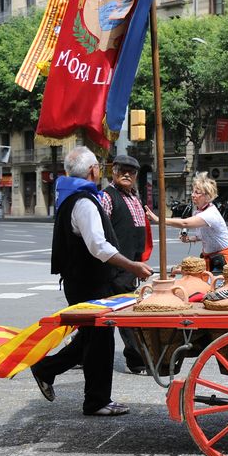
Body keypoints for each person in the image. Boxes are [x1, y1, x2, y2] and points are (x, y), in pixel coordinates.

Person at [30, 146, 153, 416]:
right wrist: (132, 265)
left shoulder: (73, 197)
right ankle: (95, 399)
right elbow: (99, 247)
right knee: (99, 339)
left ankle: (48, 371)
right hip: (88, 282)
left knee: (93, 337)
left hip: (85, 280)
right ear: (92, 171)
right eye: (98, 166)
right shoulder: (84, 202)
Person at [99, 154, 151, 375]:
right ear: (114, 171)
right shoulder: (107, 197)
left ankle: (79, 349)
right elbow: (99, 235)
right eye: (122, 170)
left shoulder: (135, 198)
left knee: (114, 318)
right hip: (115, 268)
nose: (127, 174)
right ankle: (138, 359)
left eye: (132, 171)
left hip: (130, 267)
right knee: (126, 317)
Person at [145, 171, 228, 274]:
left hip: (226, 259)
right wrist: (189, 239)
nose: (193, 195)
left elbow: (184, 223)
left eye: (197, 192)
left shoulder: (210, 214)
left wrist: (158, 219)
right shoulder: (199, 212)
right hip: (212, 259)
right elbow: (202, 236)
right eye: (193, 191)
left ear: (207, 196)